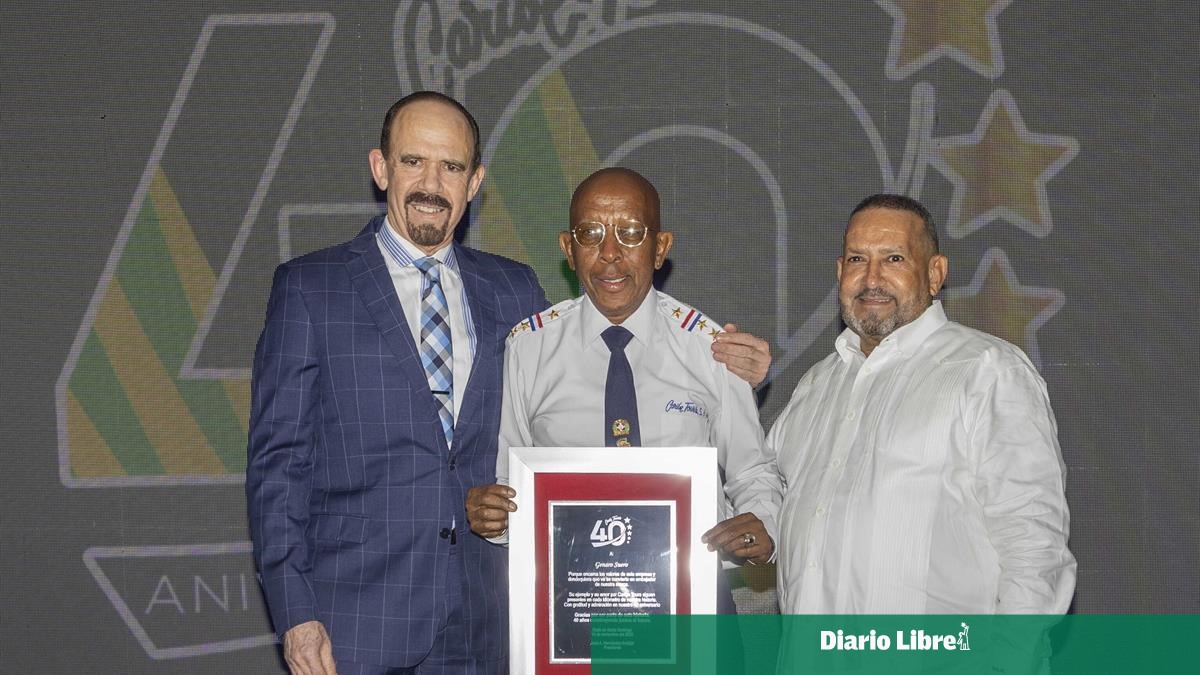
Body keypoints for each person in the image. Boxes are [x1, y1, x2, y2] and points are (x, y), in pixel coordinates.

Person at [246, 93, 772, 675]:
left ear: (474, 182)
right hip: (357, 622)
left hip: (488, 623)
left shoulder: (513, 291)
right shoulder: (311, 288)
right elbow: (278, 466)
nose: (431, 183)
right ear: (381, 167)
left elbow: (595, 355)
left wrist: (736, 373)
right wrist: (295, 614)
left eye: (451, 166)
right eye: (413, 160)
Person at [466, 168, 784, 614]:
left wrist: (763, 525)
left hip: (692, 601)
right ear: (568, 249)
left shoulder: (710, 348)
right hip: (572, 604)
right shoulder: (529, 349)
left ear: (661, 248)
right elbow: (510, 485)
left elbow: (752, 472)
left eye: (631, 233)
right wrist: (495, 519)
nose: (610, 253)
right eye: (590, 234)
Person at [769, 193, 1076, 614]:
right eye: (857, 259)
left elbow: (1034, 547)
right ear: (840, 272)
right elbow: (765, 502)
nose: (871, 278)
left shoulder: (987, 370)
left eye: (893, 259)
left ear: (935, 274)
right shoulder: (816, 385)